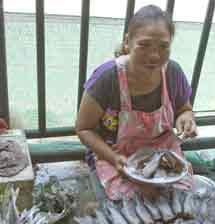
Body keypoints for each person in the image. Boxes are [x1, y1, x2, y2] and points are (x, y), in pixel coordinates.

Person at [76, 4, 198, 202]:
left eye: (163, 46)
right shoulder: (107, 78)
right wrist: (113, 158)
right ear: (127, 43)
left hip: (162, 151)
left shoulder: (173, 73)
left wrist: (186, 118)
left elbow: (184, 108)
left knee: (180, 201)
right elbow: (84, 129)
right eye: (145, 45)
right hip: (115, 155)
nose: (154, 55)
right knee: (131, 208)